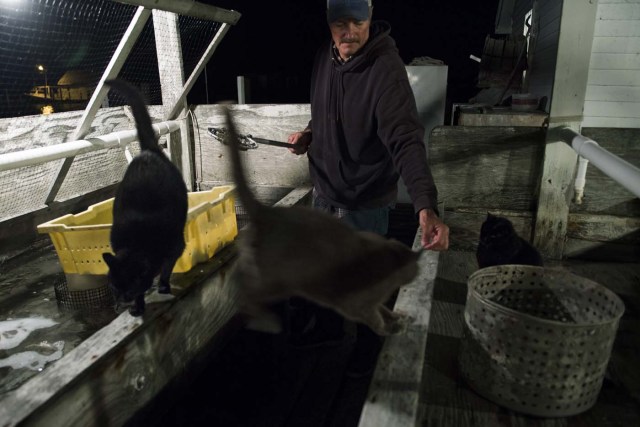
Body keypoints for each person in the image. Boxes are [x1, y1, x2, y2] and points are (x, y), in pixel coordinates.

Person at [286, 0, 449, 376]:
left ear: (370, 18)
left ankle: (367, 355)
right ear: (328, 24)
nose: (350, 32)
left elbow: (406, 139)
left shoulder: (384, 69)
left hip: (365, 198)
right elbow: (324, 110)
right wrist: (309, 136)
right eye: (340, 23)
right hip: (324, 191)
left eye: (358, 22)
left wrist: (425, 205)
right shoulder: (323, 58)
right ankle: (328, 331)